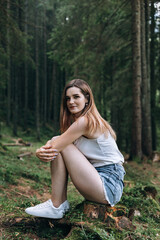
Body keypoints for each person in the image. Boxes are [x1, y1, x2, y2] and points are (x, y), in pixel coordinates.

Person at [25, 79, 125, 219]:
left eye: (76, 97)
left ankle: (57, 205)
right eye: (68, 98)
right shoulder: (80, 123)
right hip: (99, 179)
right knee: (57, 142)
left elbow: (56, 145)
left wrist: (38, 151)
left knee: (57, 142)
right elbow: (58, 143)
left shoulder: (86, 121)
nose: (71, 102)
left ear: (87, 99)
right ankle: (58, 204)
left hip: (108, 184)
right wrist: (50, 145)